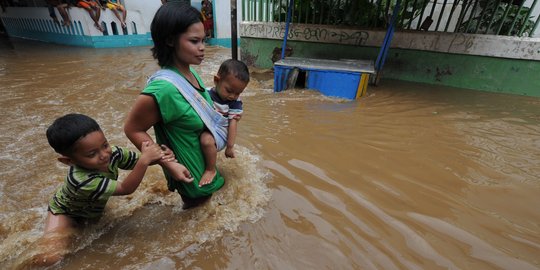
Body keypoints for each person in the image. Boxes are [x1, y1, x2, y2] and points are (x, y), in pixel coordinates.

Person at [35, 113, 175, 266]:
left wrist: (160, 156)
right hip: (65, 212)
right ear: (69, 161)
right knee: (50, 259)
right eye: (92, 154)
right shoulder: (81, 180)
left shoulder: (113, 153)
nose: (103, 155)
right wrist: (145, 159)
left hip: (90, 208)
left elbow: (138, 162)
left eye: (105, 145)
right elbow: (126, 188)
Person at [124, 2, 225, 209]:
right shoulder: (164, 90)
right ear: (170, 40)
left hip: (207, 172)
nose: (202, 48)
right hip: (192, 182)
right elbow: (132, 129)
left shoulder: (191, 73)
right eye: (194, 41)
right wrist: (169, 164)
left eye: (203, 40)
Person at [199, 59, 249, 184]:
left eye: (238, 93)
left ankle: (211, 170)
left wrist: (230, 147)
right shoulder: (205, 93)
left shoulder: (234, 103)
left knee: (206, 140)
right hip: (207, 125)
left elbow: (233, 124)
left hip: (221, 132)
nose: (233, 96)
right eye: (229, 91)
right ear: (216, 80)